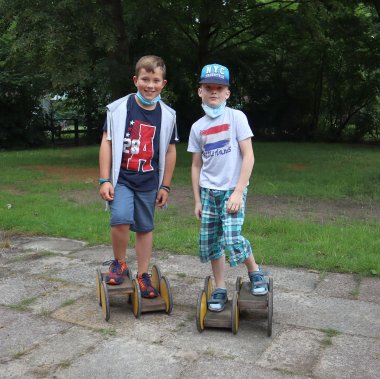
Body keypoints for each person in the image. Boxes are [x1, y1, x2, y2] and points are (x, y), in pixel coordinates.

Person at [187, 63, 268, 312]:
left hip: (233, 190)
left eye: (219, 88)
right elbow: (195, 166)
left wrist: (238, 191)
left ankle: (255, 273)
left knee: (232, 237)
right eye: (208, 87)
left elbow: (249, 156)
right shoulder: (197, 127)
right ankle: (220, 287)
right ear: (200, 91)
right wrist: (198, 200)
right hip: (209, 193)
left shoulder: (236, 117)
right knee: (212, 242)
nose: (214, 92)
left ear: (227, 93)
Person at [99, 55, 178, 298]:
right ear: (136, 80)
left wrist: (165, 186)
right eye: (145, 79)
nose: (150, 85)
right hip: (122, 179)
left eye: (156, 80)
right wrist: (105, 179)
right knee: (120, 218)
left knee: (145, 227)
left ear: (163, 84)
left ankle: (143, 275)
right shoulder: (119, 109)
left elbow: (170, 150)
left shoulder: (168, 115)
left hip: (148, 182)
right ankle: (120, 263)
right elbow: (106, 143)